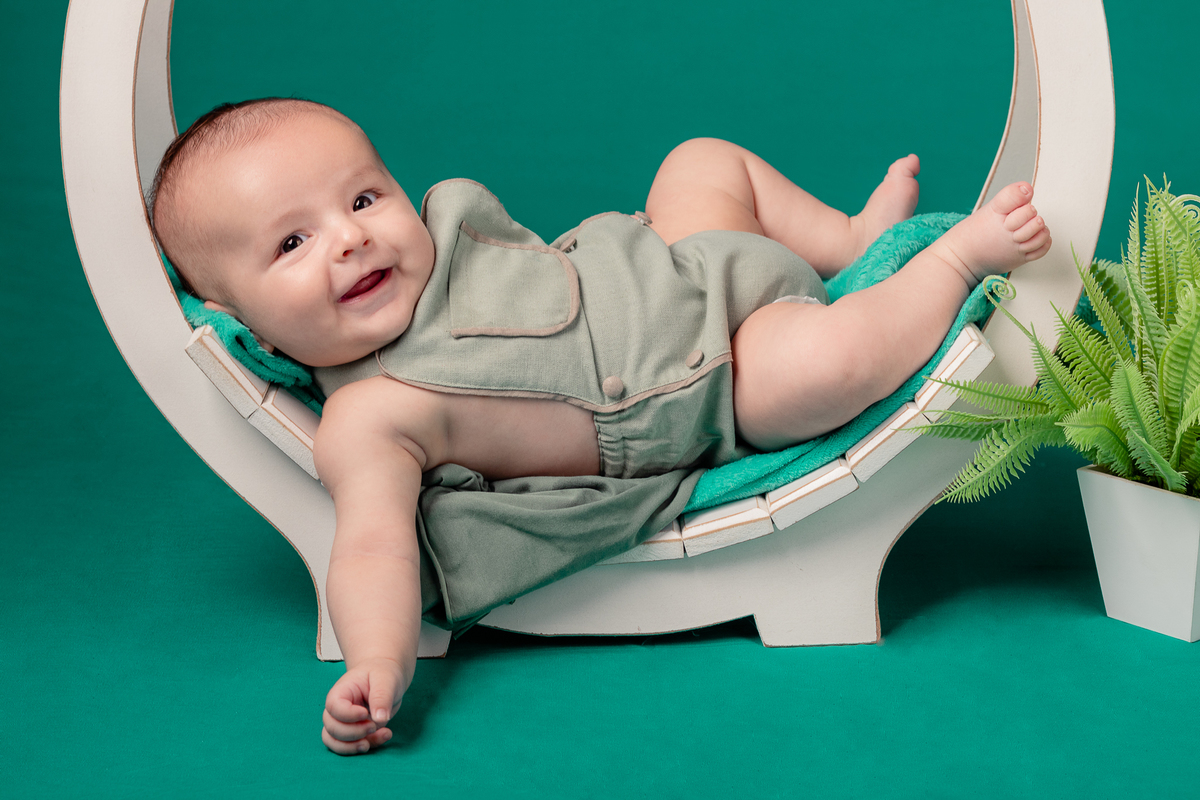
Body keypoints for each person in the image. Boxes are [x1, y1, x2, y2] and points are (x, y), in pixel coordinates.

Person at [150, 98, 1051, 755]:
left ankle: (849, 241)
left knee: (701, 156)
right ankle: (950, 262)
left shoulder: (447, 242)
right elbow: (375, 550)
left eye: (362, 199)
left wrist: (673, 245)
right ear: (241, 323)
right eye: (291, 244)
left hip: (677, 254)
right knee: (831, 367)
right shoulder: (370, 415)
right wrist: (376, 664)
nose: (349, 240)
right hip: (724, 375)